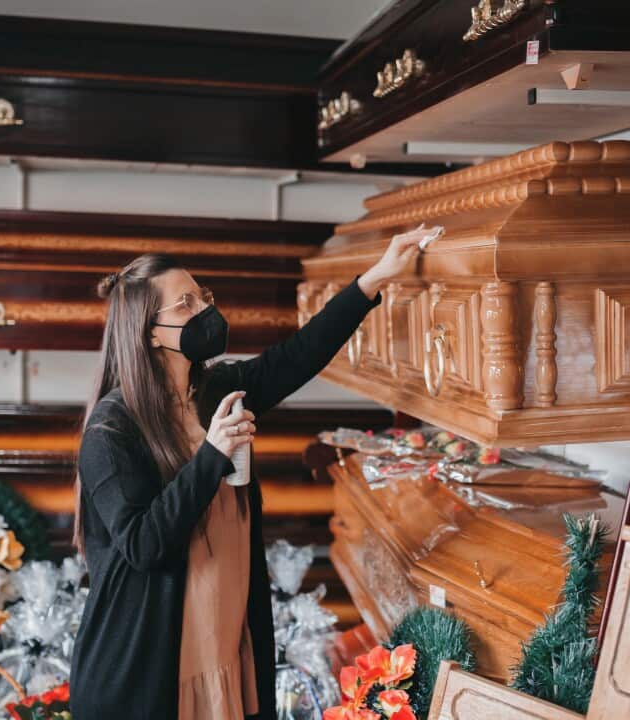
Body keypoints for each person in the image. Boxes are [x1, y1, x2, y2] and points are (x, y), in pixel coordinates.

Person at [70, 232, 422, 719]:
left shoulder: (215, 390)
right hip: (149, 668)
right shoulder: (111, 430)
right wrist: (212, 454)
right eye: (185, 304)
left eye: (203, 297)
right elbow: (143, 546)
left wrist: (374, 279)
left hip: (225, 639)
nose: (204, 311)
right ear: (149, 332)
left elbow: (298, 355)